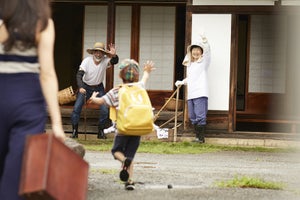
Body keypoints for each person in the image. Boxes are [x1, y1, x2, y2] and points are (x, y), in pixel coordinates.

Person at [0, 0, 66, 199]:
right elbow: (47, 74)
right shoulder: (42, 22)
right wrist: (56, 123)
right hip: (28, 105)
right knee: (15, 182)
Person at [89, 59, 155, 190]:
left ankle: (124, 162)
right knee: (130, 156)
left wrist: (93, 98)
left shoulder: (117, 91)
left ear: (120, 76)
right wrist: (147, 71)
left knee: (117, 152)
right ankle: (129, 182)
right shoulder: (140, 87)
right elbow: (145, 78)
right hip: (137, 129)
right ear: (136, 76)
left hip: (123, 129)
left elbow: (102, 101)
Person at [70, 42, 119, 139]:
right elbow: (79, 75)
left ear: (103, 54)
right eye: (96, 52)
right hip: (85, 86)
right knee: (76, 109)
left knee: (105, 110)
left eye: (100, 52)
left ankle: (100, 132)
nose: (98, 54)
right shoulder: (87, 61)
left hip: (99, 87)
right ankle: (75, 131)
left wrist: (114, 55)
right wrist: (80, 87)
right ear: (93, 53)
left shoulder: (105, 61)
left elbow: (115, 61)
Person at [175, 35, 211, 143]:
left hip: (200, 93)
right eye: (194, 50)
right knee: (192, 116)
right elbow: (190, 78)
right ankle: (197, 137)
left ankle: (200, 138)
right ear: (190, 52)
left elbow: (208, 53)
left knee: (200, 116)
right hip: (191, 93)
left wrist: (205, 42)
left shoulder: (203, 62)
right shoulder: (191, 65)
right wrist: (182, 81)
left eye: (198, 50)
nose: (195, 52)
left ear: (201, 51)